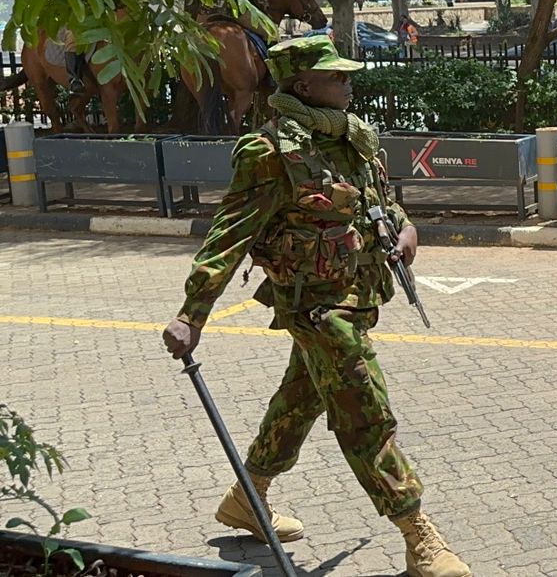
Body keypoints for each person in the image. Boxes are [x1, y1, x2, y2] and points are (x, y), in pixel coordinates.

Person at [160, 35, 471, 577]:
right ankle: (418, 535)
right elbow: (229, 234)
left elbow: (380, 199)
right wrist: (193, 314)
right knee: (363, 411)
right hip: (316, 308)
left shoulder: (351, 138)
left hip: (358, 296)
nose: (349, 82)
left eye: (348, 75)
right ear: (302, 85)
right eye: (337, 76)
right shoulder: (270, 151)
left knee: (302, 398)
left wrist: (406, 226)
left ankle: (247, 496)